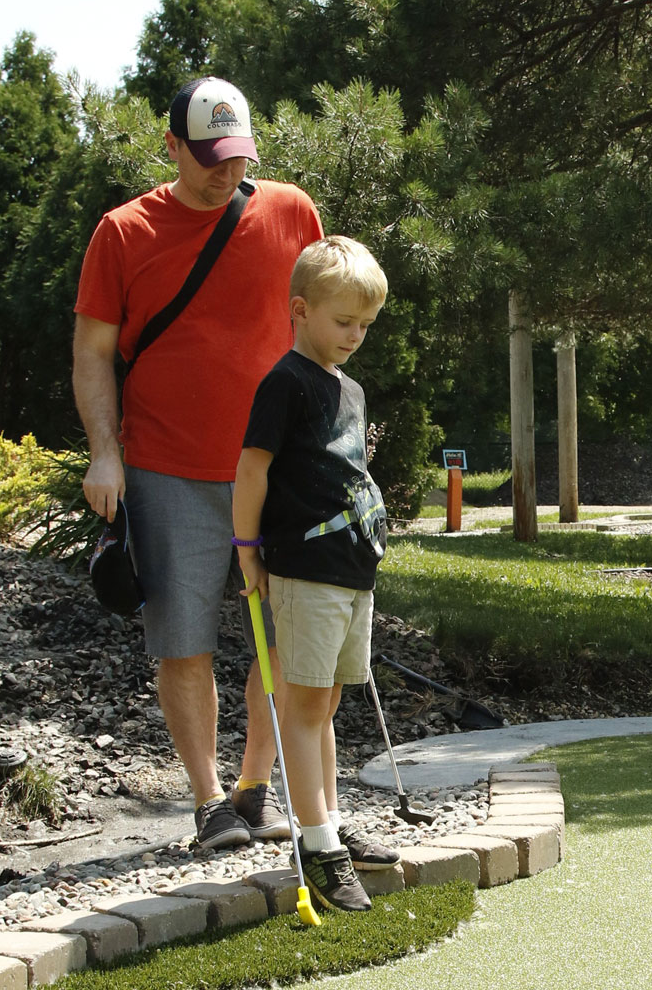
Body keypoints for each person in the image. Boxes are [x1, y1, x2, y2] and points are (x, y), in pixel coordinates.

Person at [73, 77, 323, 850]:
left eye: (237, 156)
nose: (224, 172)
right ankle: (210, 801)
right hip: (168, 467)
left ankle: (256, 787)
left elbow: (319, 324)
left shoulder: (290, 211)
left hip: (276, 469)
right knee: (184, 642)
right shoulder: (123, 232)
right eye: (208, 156)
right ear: (173, 145)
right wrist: (104, 455)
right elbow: (92, 355)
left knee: (284, 639)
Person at [232, 236, 400, 911]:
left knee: (326, 703)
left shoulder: (349, 388)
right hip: (304, 569)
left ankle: (327, 818)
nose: (355, 336)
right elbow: (253, 469)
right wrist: (247, 546)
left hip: (349, 571)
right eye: (343, 322)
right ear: (300, 311)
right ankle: (318, 842)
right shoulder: (285, 383)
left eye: (365, 325)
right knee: (303, 706)